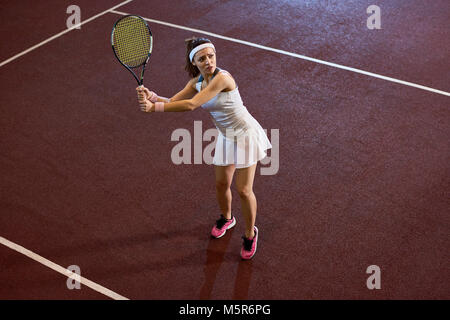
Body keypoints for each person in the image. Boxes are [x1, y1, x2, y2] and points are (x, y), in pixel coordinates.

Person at [136, 37, 272, 260]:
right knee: (221, 184)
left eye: (211, 56)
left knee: (244, 190)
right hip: (226, 136)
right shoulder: (195, 83)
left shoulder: (223, 78)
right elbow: (172, 101)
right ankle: (227, 218)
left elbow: (191, 105)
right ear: (194, 63)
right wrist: (153, 97)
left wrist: (154, 109)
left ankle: (250, 234)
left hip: (246, 135)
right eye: (202, 58)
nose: (209, 61)